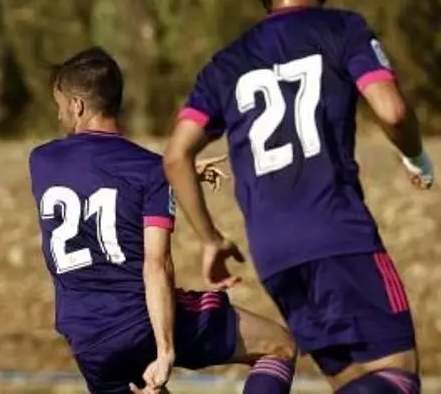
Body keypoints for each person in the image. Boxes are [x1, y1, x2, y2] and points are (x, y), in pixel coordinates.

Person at [163, 0, 434, 394]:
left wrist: (210, 239)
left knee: (354, 382)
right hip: (340, 236)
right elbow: (392, 111)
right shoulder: (342, 29)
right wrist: (416, 157)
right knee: (397, 376)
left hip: (275, 256)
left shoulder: (227, 62)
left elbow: (175, 155)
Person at [28, 47, 297, 394]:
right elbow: (157, 265)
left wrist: (170, 175)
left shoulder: (42, 161)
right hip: (138, 321)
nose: (60, 114)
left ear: (78, 106)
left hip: (88, 341)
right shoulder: (149, 171)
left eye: (60, 105)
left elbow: (93, 179)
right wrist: (165, 349)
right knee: (279, 347)